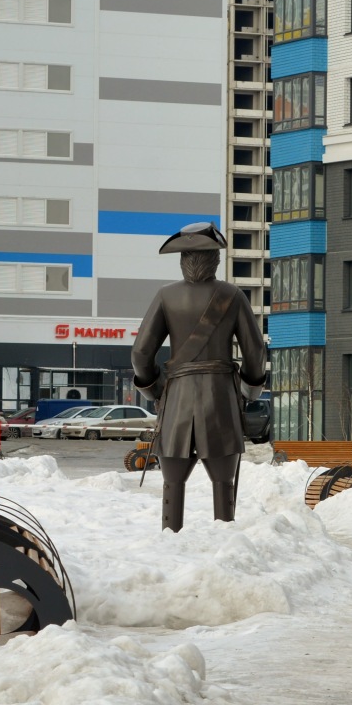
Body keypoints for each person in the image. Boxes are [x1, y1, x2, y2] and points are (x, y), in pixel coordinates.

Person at [130, 223, 268, 531]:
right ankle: (225, 537)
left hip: (176, 399)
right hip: (221, 399)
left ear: (183, 260)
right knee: (223, 480)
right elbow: (256, 352)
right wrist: (250, 392)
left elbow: (140, 354)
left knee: (172, 481)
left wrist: (156, 392)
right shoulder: (233, 295)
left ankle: (170, 536)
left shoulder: (165, 296)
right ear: (215, 259)